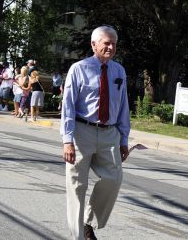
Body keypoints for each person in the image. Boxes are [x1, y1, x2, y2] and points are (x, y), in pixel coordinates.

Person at [61, 25, 130, 240]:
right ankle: (78, 236)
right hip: (82, 131)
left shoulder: (119, 71)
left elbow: (124, 106)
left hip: (110, 133)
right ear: (94, 45)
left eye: (114, 44)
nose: (111, 47)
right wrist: (67, 140)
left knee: (114, 179)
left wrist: (124, 138)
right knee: (77, 185)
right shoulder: (79, 68)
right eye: (106, 43)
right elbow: (68, 106)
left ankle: (87, 222)